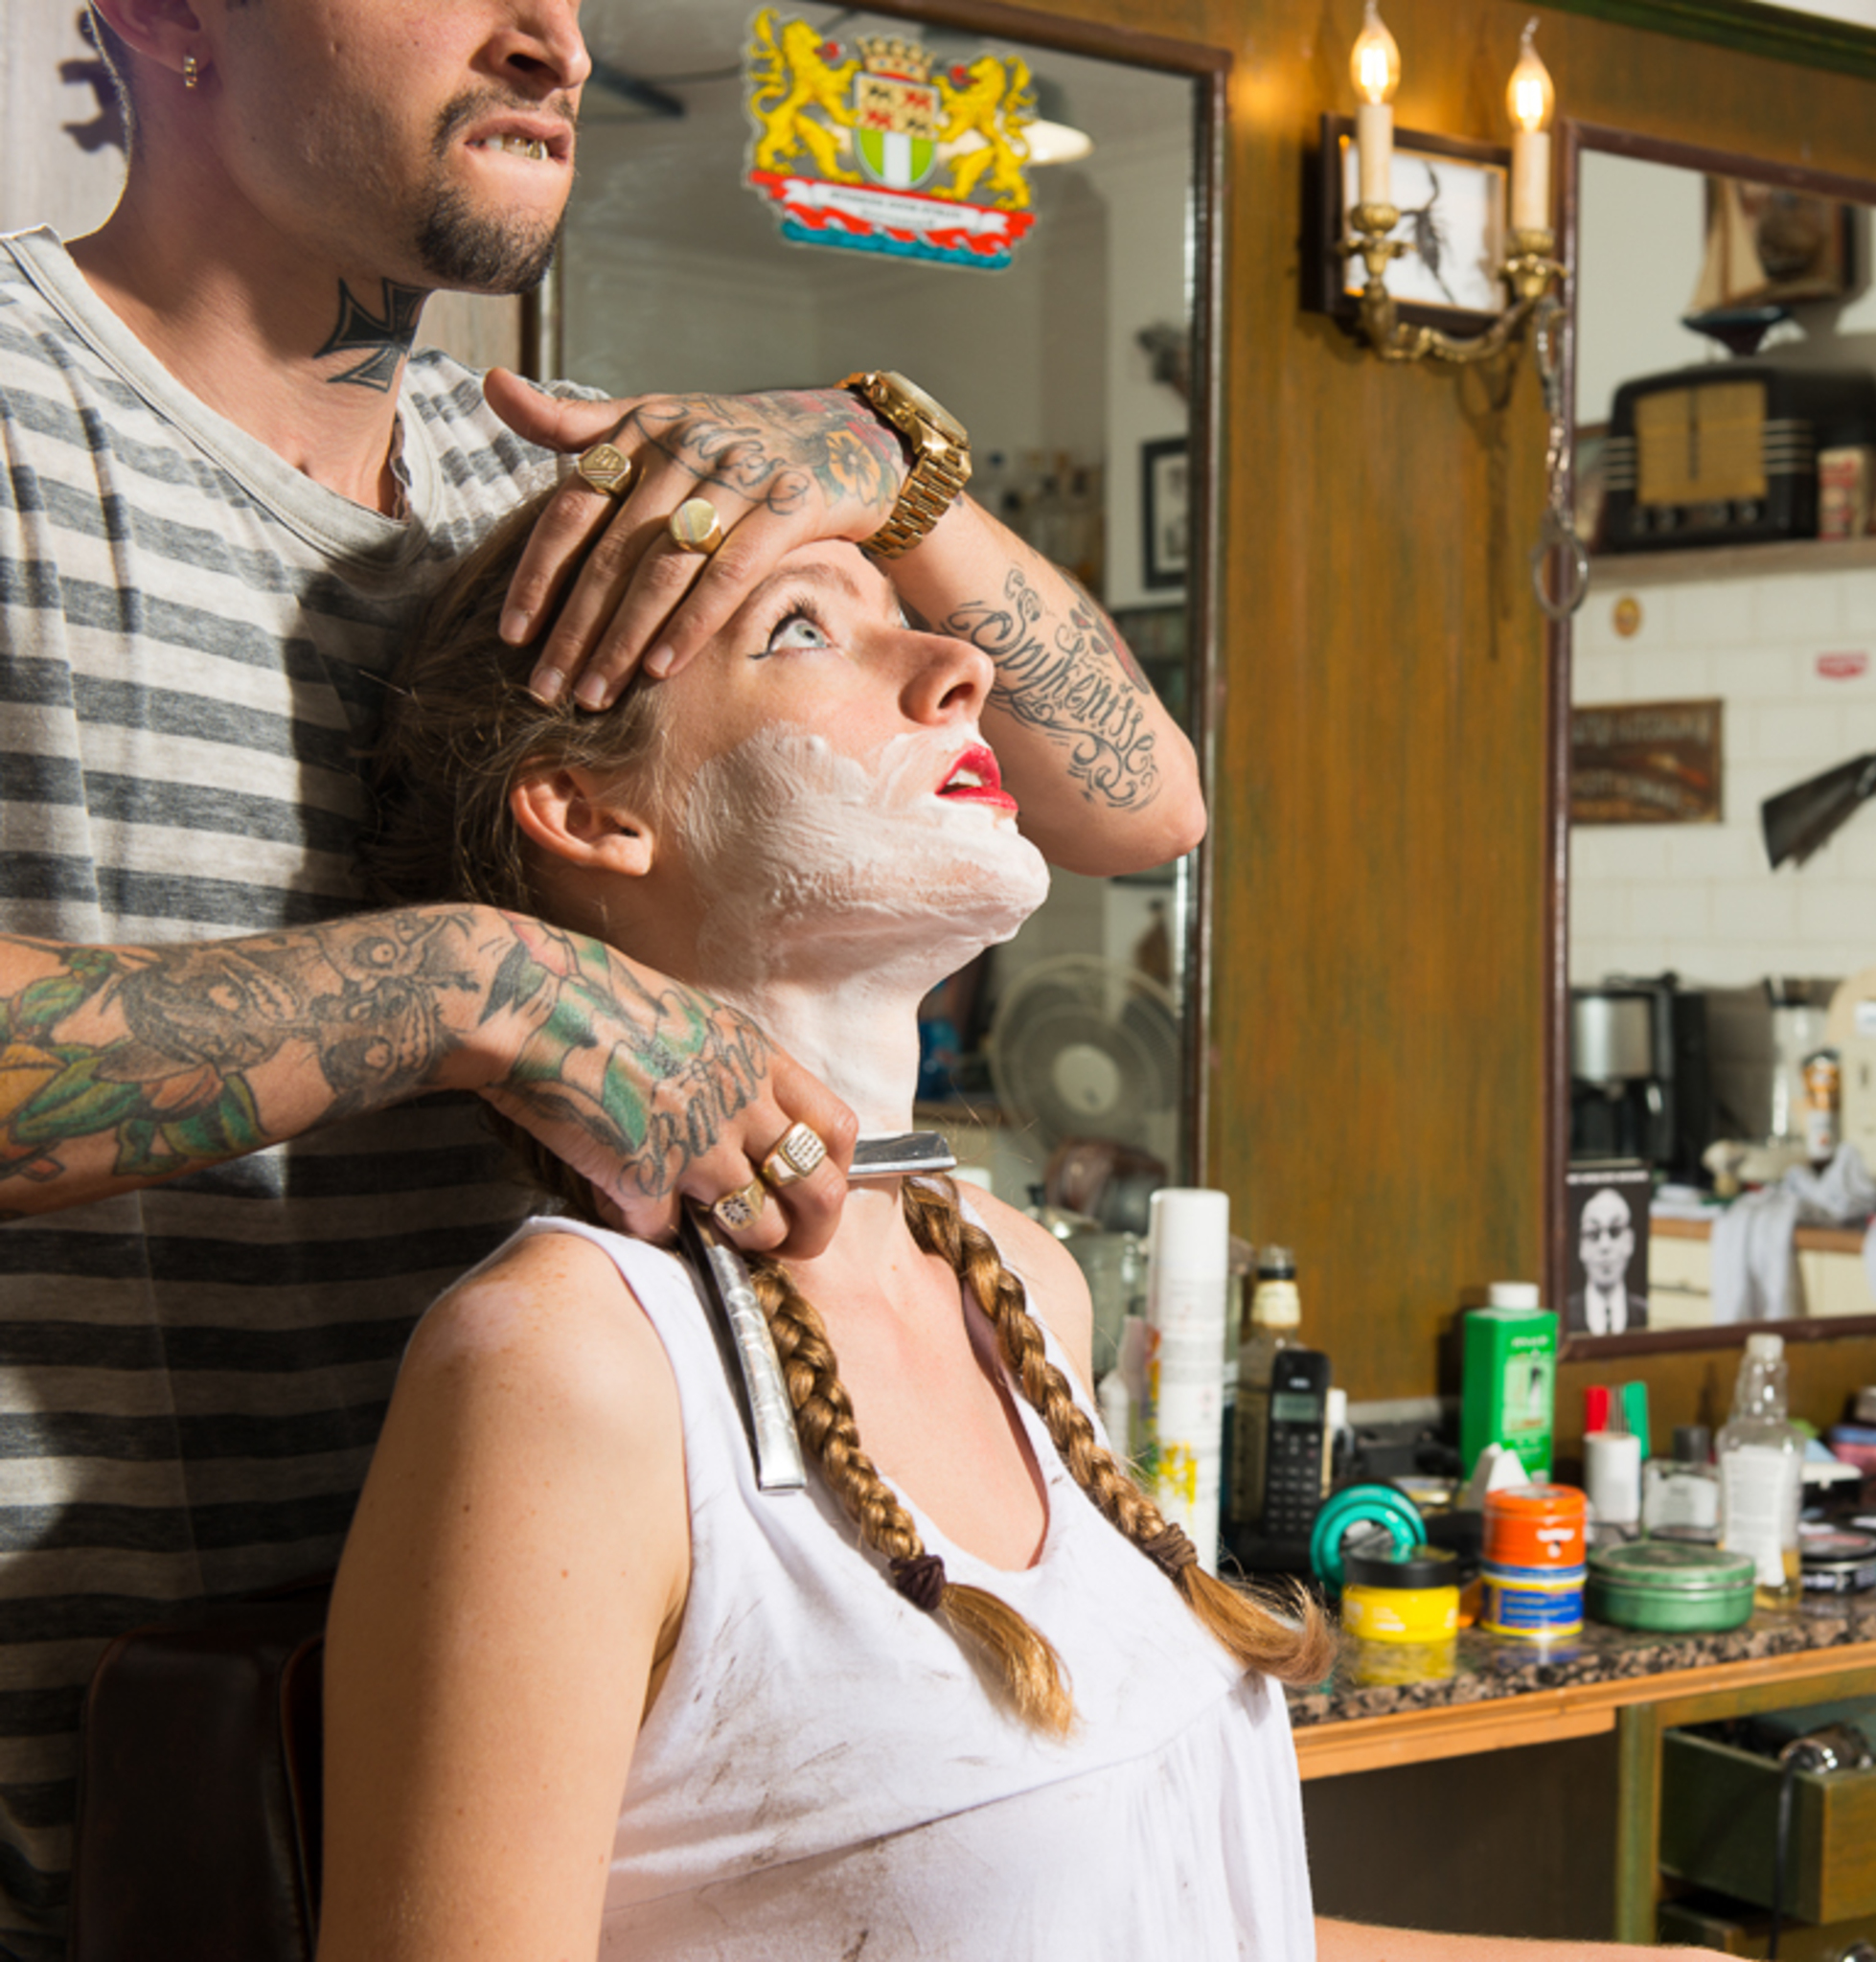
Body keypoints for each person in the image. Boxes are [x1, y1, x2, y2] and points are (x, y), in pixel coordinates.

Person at [0, 1, 1196, 1946]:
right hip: (73, 1819)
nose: (549, 37)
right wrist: (478, 988)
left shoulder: (593, 495)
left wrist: (887, 465)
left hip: (601, 1771)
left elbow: (1138, 802)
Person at [323, 502, 1704, 1962]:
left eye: (901, 614)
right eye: (803, 627)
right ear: (593, 813)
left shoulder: (1022, 1280)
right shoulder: (570, 1369)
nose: (956, 665)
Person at [1576, 1184, 1639, 1335]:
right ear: (1581, 1246)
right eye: (1593, 1233)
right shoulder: (1561, 1316)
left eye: (1615, 1231)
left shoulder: (1644, 1312)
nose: (1604, 1246)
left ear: (1630, 1241)